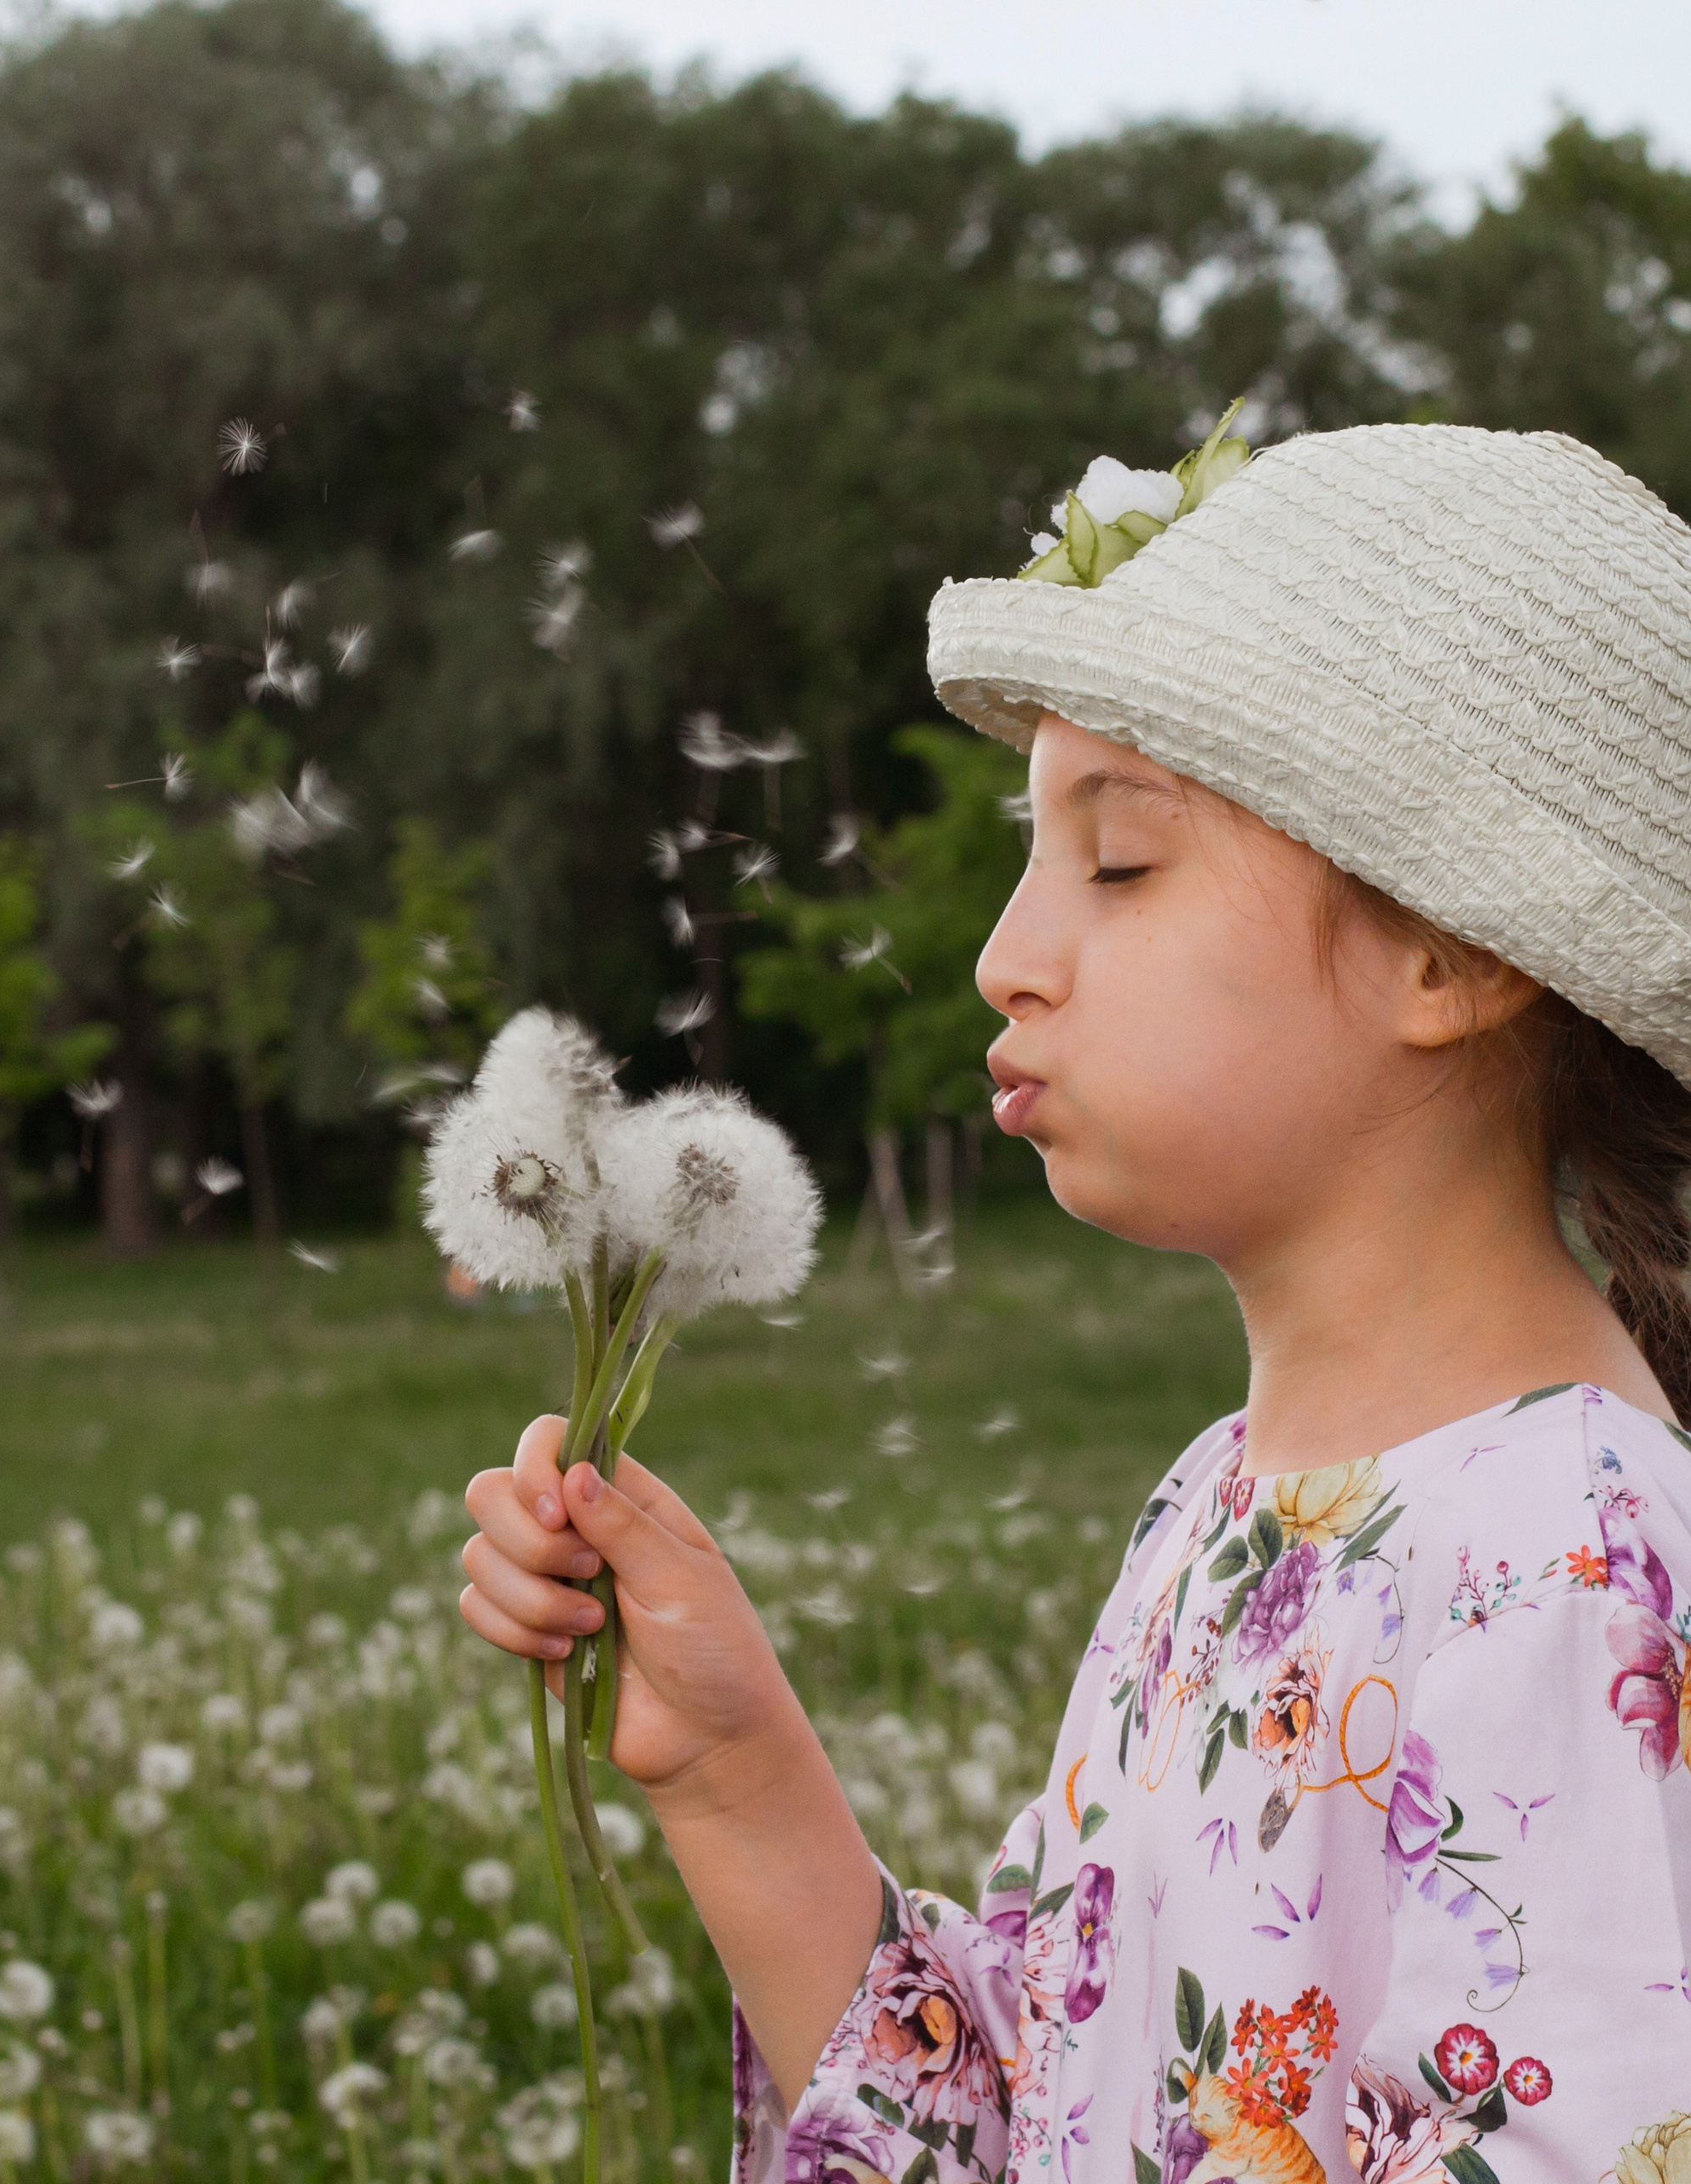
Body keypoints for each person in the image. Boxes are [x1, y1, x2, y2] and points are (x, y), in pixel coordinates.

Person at [456, 420, 1691, 2180]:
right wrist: (730, 1766)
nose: (1001, 954)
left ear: (1455, 949)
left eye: (1116, 861)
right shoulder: (1217, 1508)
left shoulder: (1573, 1559)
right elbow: (1020, 2127)